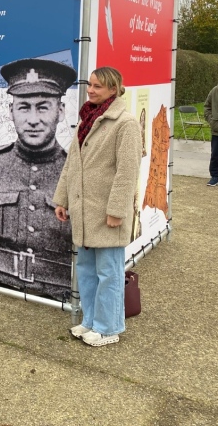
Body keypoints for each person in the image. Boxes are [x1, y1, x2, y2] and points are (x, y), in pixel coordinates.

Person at [0, 58, 77, 302]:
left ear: (61, 111)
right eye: (24, 107)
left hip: (56, 294)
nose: (33, 119)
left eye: (43, 107)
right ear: (11, 112)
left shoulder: (75, 170)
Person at [53, 66, 142, 347]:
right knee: (88, 271)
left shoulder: (125, 123)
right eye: (90, 85)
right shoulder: (86, 120)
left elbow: (128, 171)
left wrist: (117, 210)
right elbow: (72, 164)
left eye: (98, 87)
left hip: (107, 213)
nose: (90, 90)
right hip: (84, 211)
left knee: (109, 272)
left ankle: (109, 328)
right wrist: (62, 199)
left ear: (113, 90)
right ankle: (90, 321)